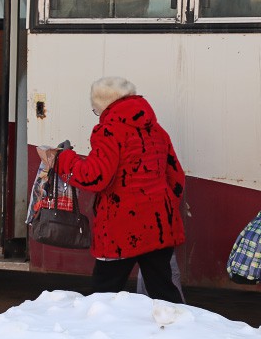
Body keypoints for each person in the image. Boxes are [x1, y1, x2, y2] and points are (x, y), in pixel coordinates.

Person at [56, 77, 186, 304]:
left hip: (120, 228)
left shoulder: (109, 131)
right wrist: (160, 206)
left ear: (103, 105)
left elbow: (95, 177)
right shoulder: (156, 130)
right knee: (163, 293)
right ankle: (176, 332)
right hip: (158, 225)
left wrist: (63, 160)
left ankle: (98, 336)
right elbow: (176, 178)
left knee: (104, 295)